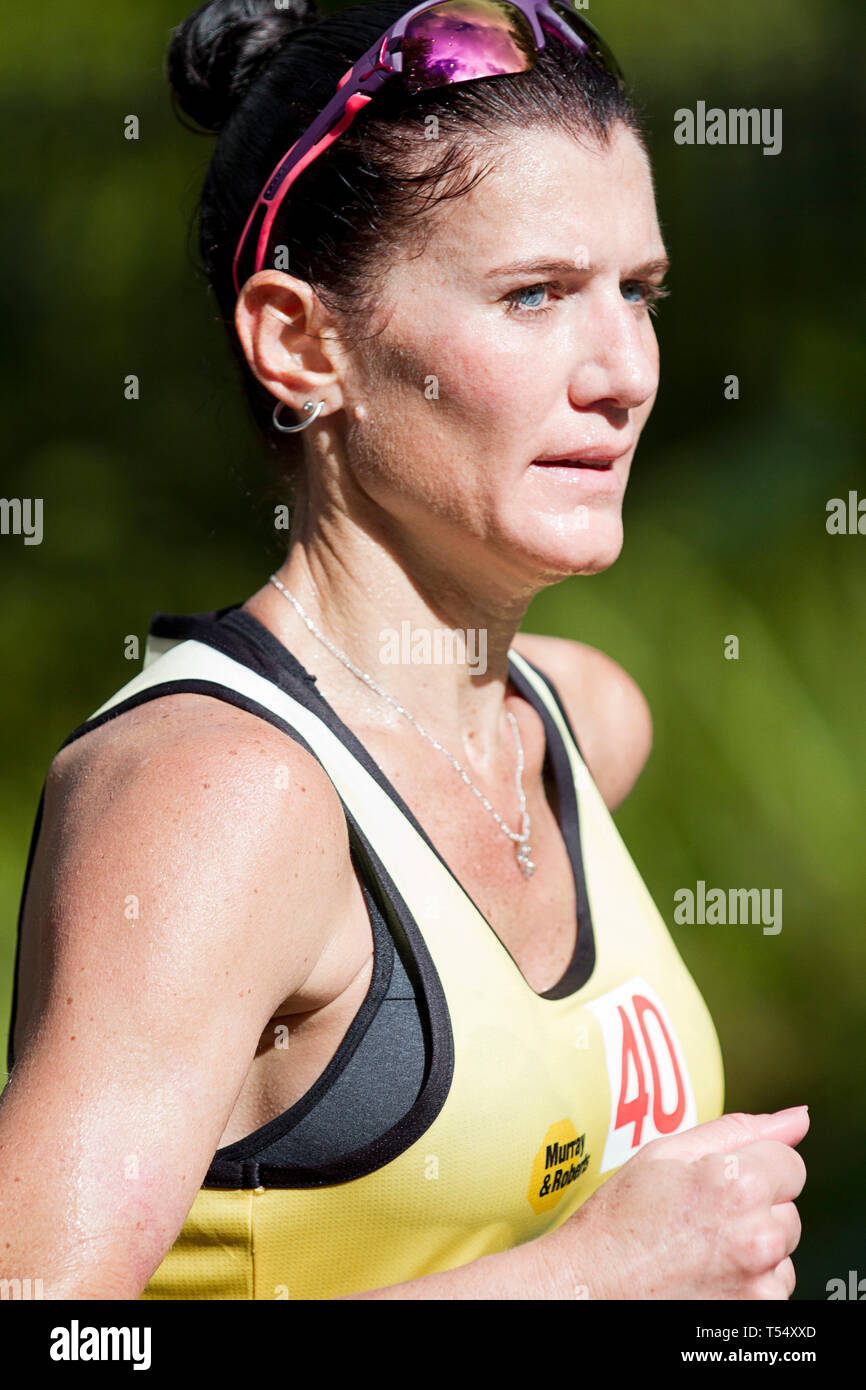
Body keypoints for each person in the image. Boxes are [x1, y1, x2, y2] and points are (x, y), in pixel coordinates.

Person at [0, 0, 808, 1300]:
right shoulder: (218, 799)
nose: (622, 371)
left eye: (636, 292)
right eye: (533, 294)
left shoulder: (582, 723)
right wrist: (590, 1278)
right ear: (301, 343)